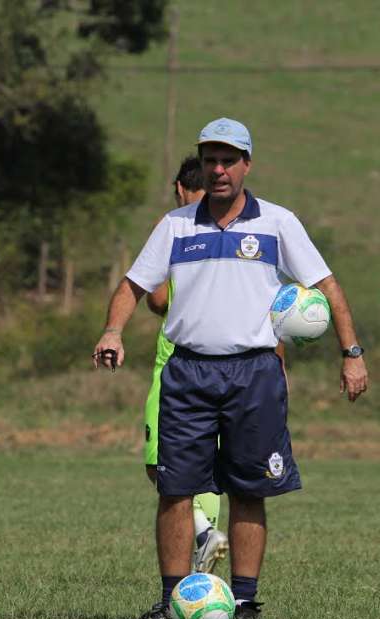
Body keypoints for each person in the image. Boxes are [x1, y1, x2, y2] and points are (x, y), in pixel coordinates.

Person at [93, 117, 368, 619]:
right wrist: (112, 331)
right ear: (201, 166)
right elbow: (134, 285)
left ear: (247, 165)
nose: (218, 170)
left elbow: (327, 285)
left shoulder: (278, 223)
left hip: (255, 373)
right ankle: (173, 602)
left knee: (249, 489)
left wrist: (351, 353)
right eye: (209, 161)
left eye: (228, 160)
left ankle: (244, 603)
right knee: (175, 490)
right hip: (188, 372)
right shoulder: (175, 226)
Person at [145, 156, 228, 574]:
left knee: (160, 466)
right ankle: (206, 539)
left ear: (180, 188)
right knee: (209, 464)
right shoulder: (232, 225)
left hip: (176, 363)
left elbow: (156, 298)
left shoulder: (175, 225)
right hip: (230, 367)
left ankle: (200, 534)